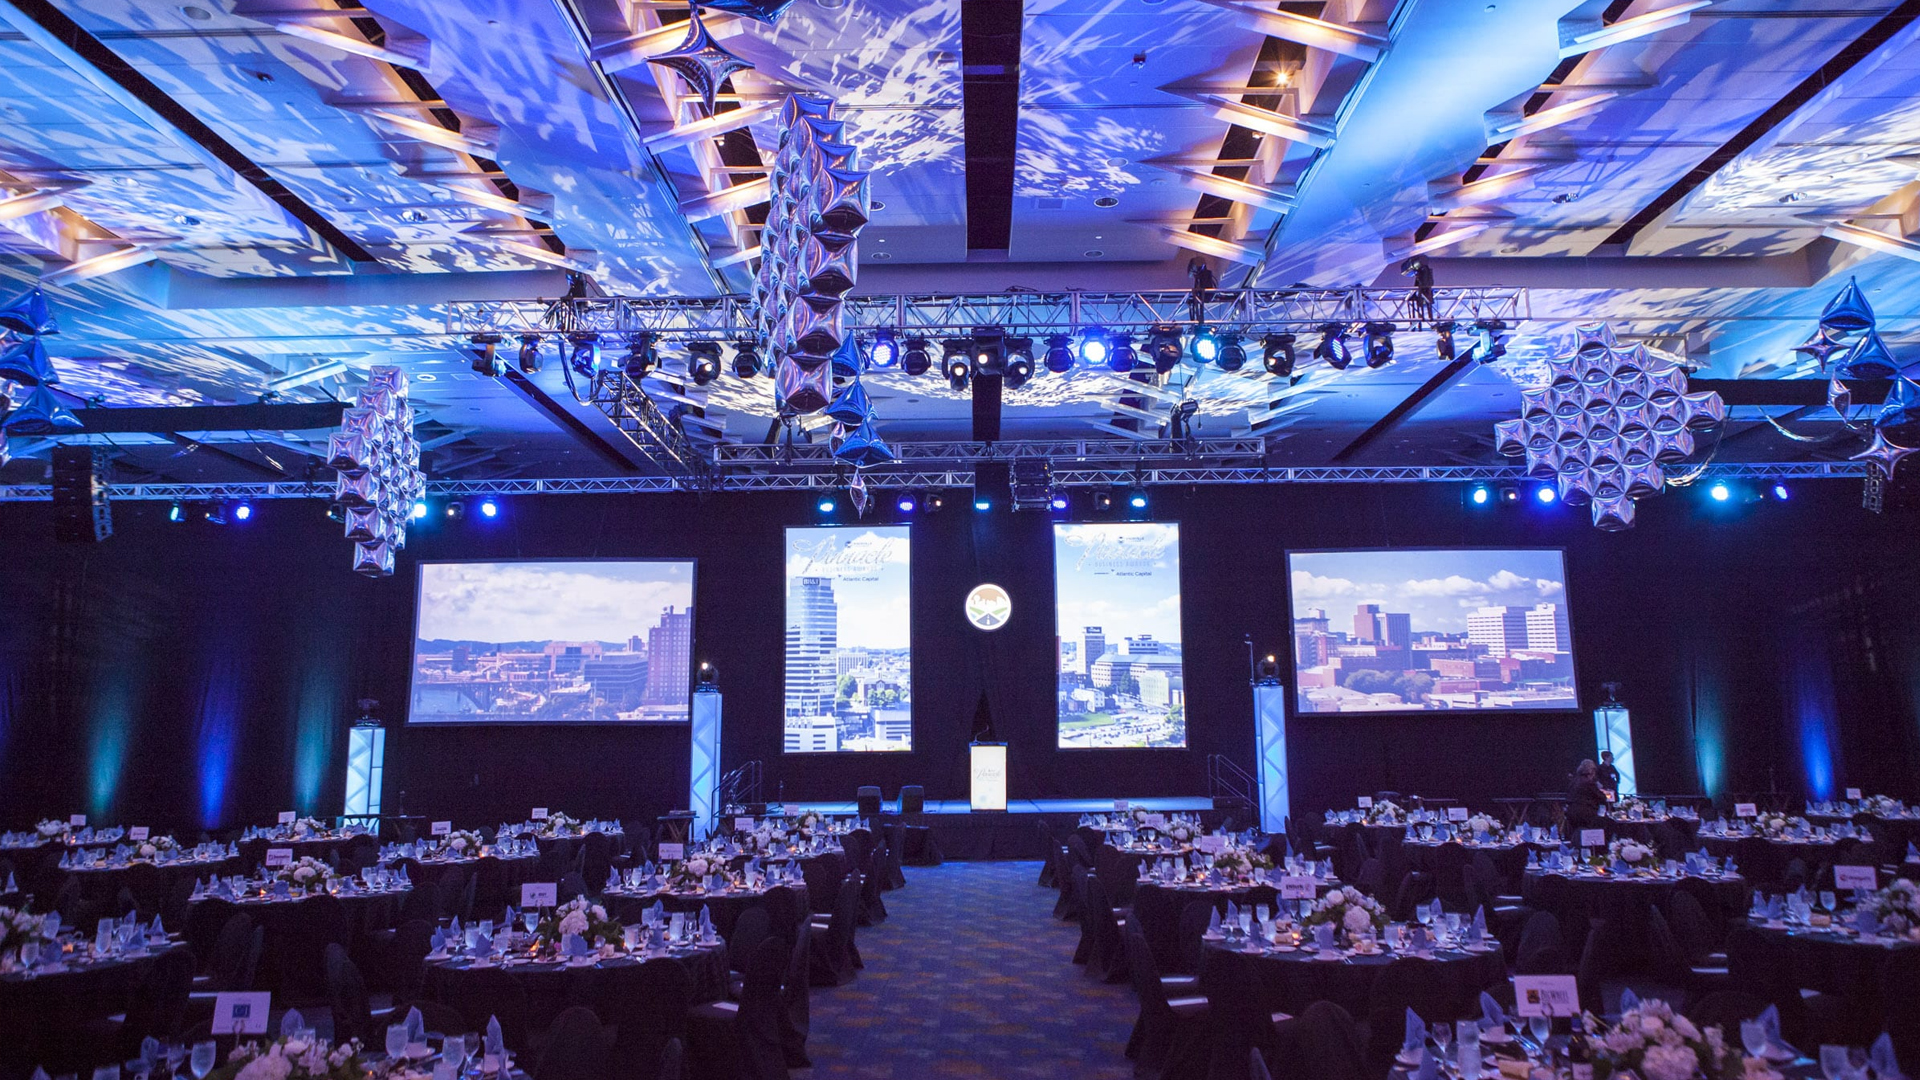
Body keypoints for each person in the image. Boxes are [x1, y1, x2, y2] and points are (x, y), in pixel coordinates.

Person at [1565, 760, 1606, 836]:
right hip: (1586, 813)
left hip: (1572, 812)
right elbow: (1602, 797)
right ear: (1592, 771)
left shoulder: (1574, 781)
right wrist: (1599, 789)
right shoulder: (1589, 783)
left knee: (1576, 834)